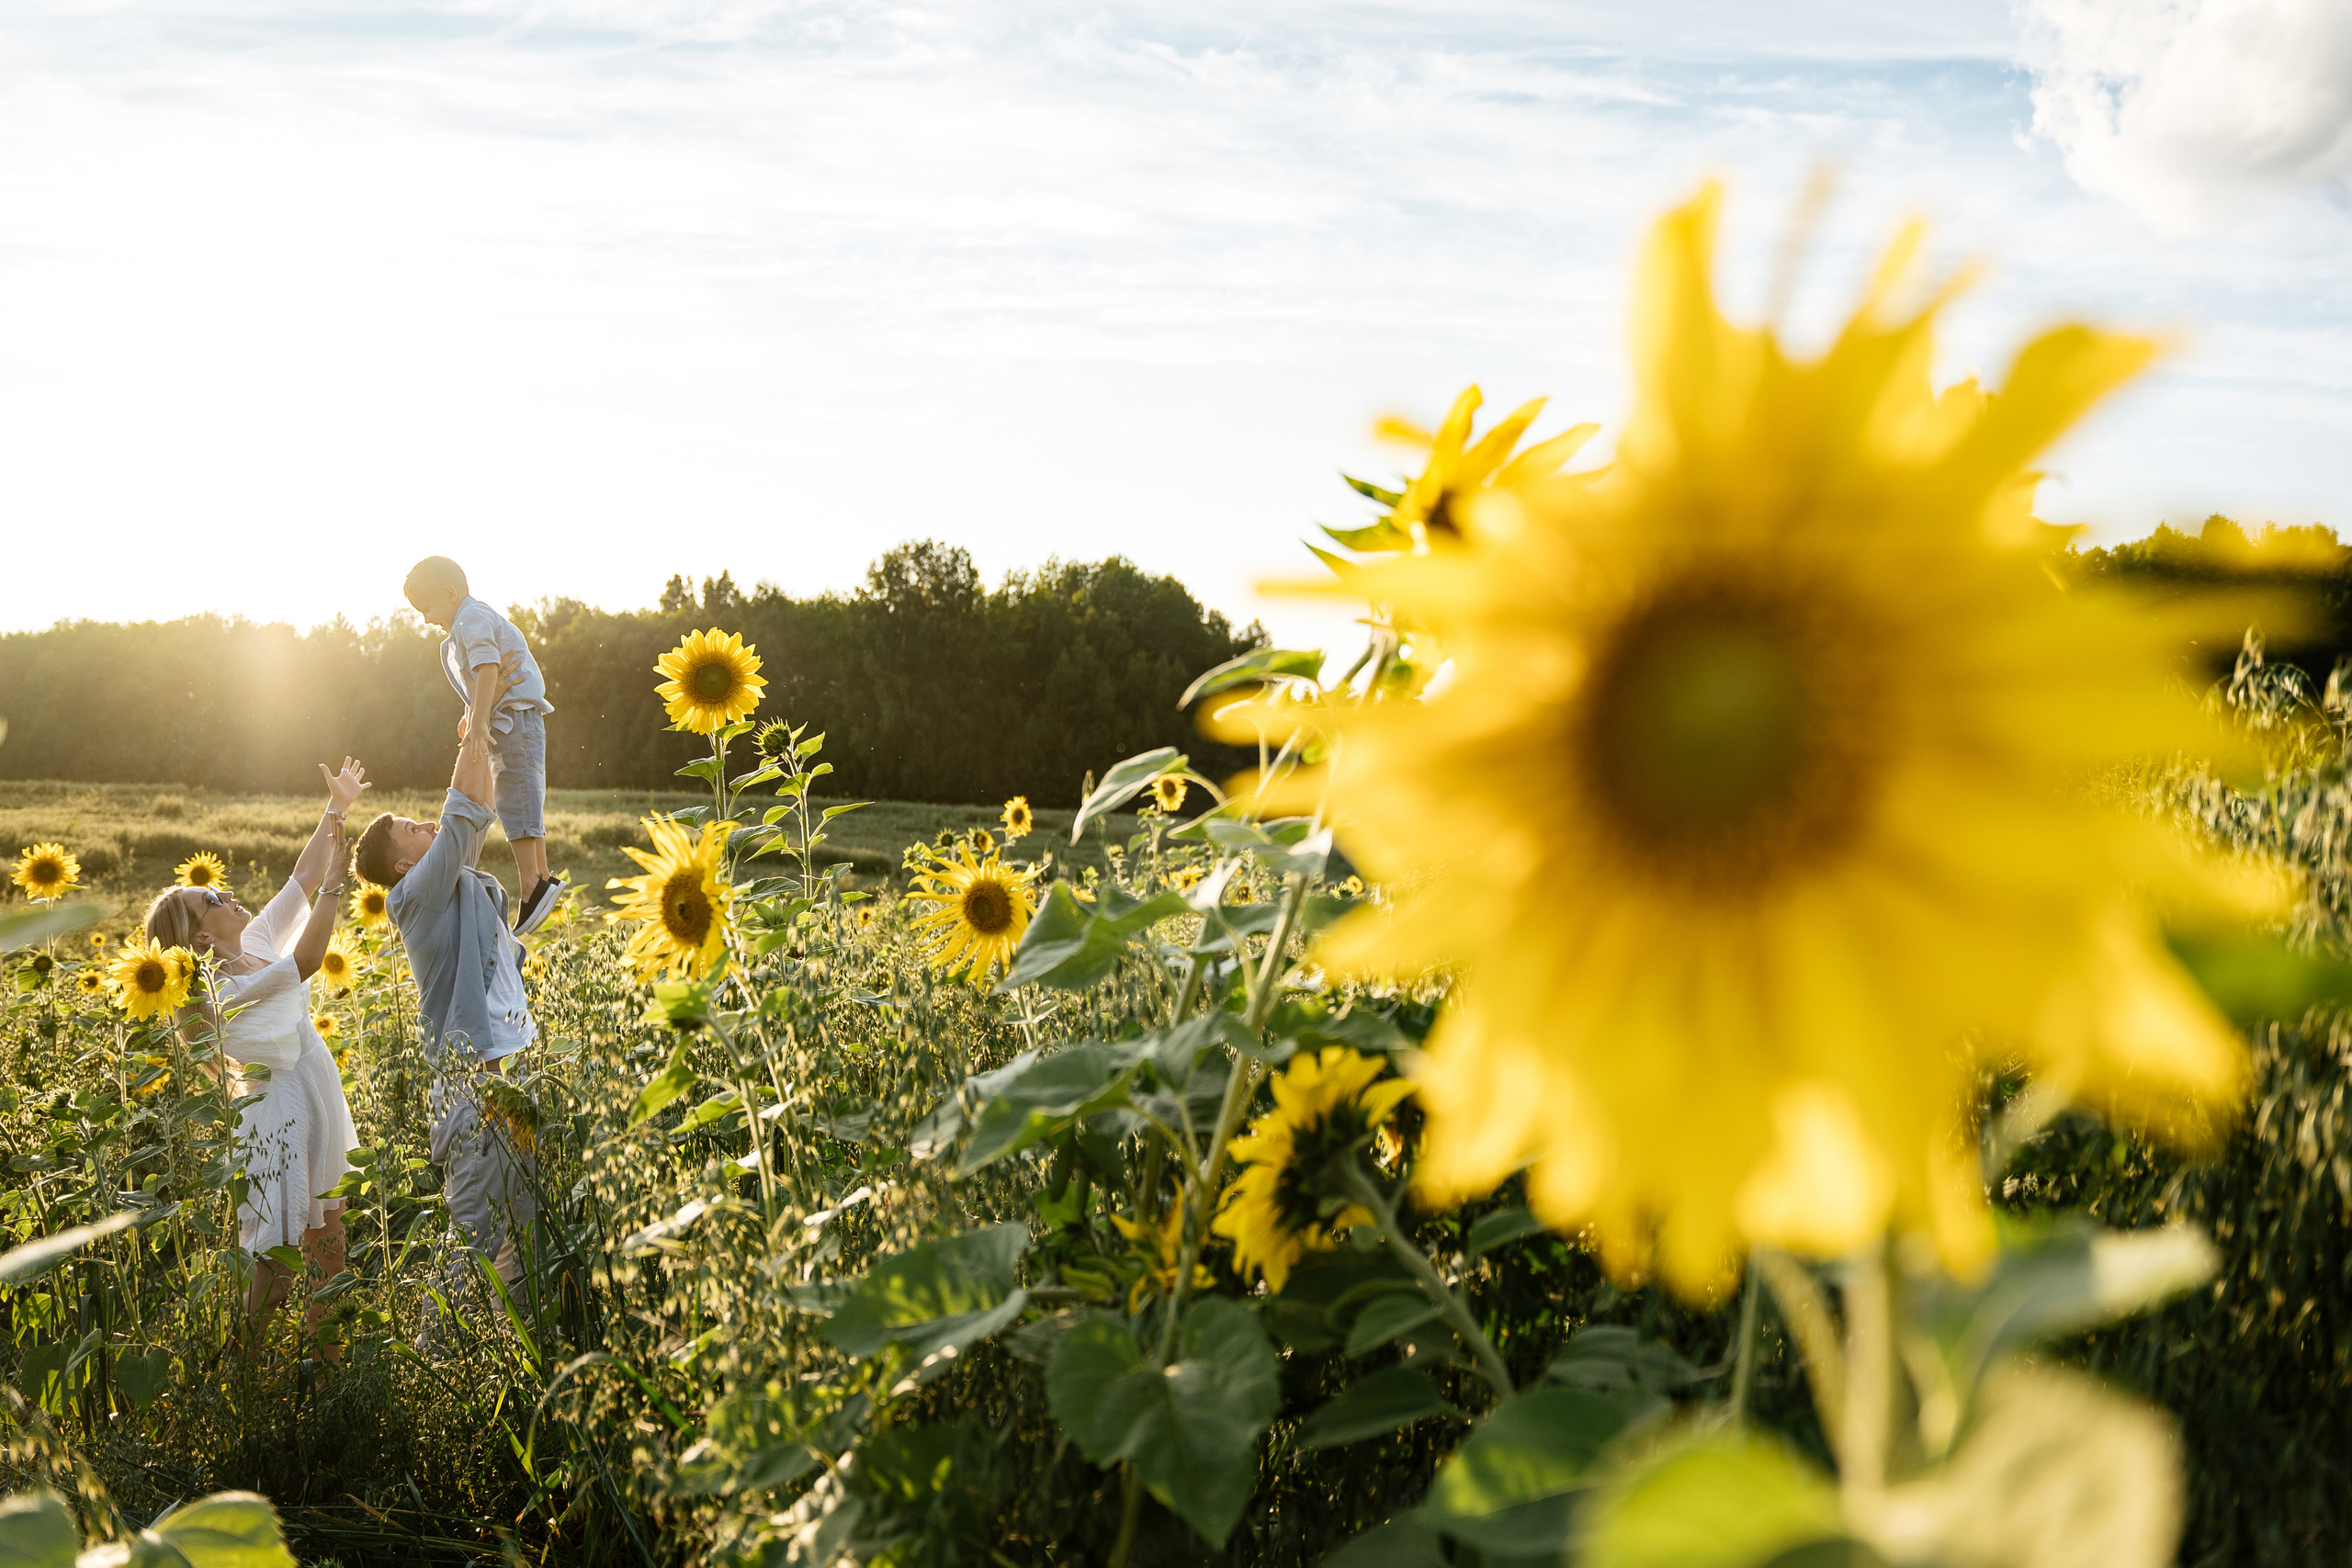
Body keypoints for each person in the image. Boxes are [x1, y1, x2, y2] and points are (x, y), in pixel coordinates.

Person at [147, 758, 370, 1359]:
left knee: (330, 1245)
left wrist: (337, 809)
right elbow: (307, 960)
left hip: (318, 1095)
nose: (229, 893)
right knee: (275, 1265)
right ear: (198, 936)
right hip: (278, 1118)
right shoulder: (223, 990)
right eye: (211, 897)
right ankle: (244, 1381)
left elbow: (300, 876)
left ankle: (330, 1377)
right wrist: (336, 886)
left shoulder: (252, 941)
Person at [349, 652, 538, 1348]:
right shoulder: (416, 896)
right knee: (471, 1244)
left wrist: (488, 729)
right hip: (468, 1094)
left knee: (522, 1235)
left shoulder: (456, 881)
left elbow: (475, 807)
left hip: (501, 1082)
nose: (425, 828)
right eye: (412, 830)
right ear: (403, 863)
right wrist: (477, 719)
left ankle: (512, 1360)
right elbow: (460, 812)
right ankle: (432, 1369)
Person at [401, 555, 568, 934]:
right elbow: (478, 680)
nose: (426, 618)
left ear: (449, 593)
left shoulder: (470, 618)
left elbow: (488, 667)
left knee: (515, 796)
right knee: (522, 793)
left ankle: (532, 884)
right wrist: (470, 713)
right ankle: (540, 876)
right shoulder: (465, 623)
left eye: (427, 608)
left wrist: (478, 723)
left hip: (514, 718)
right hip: (516, 718)